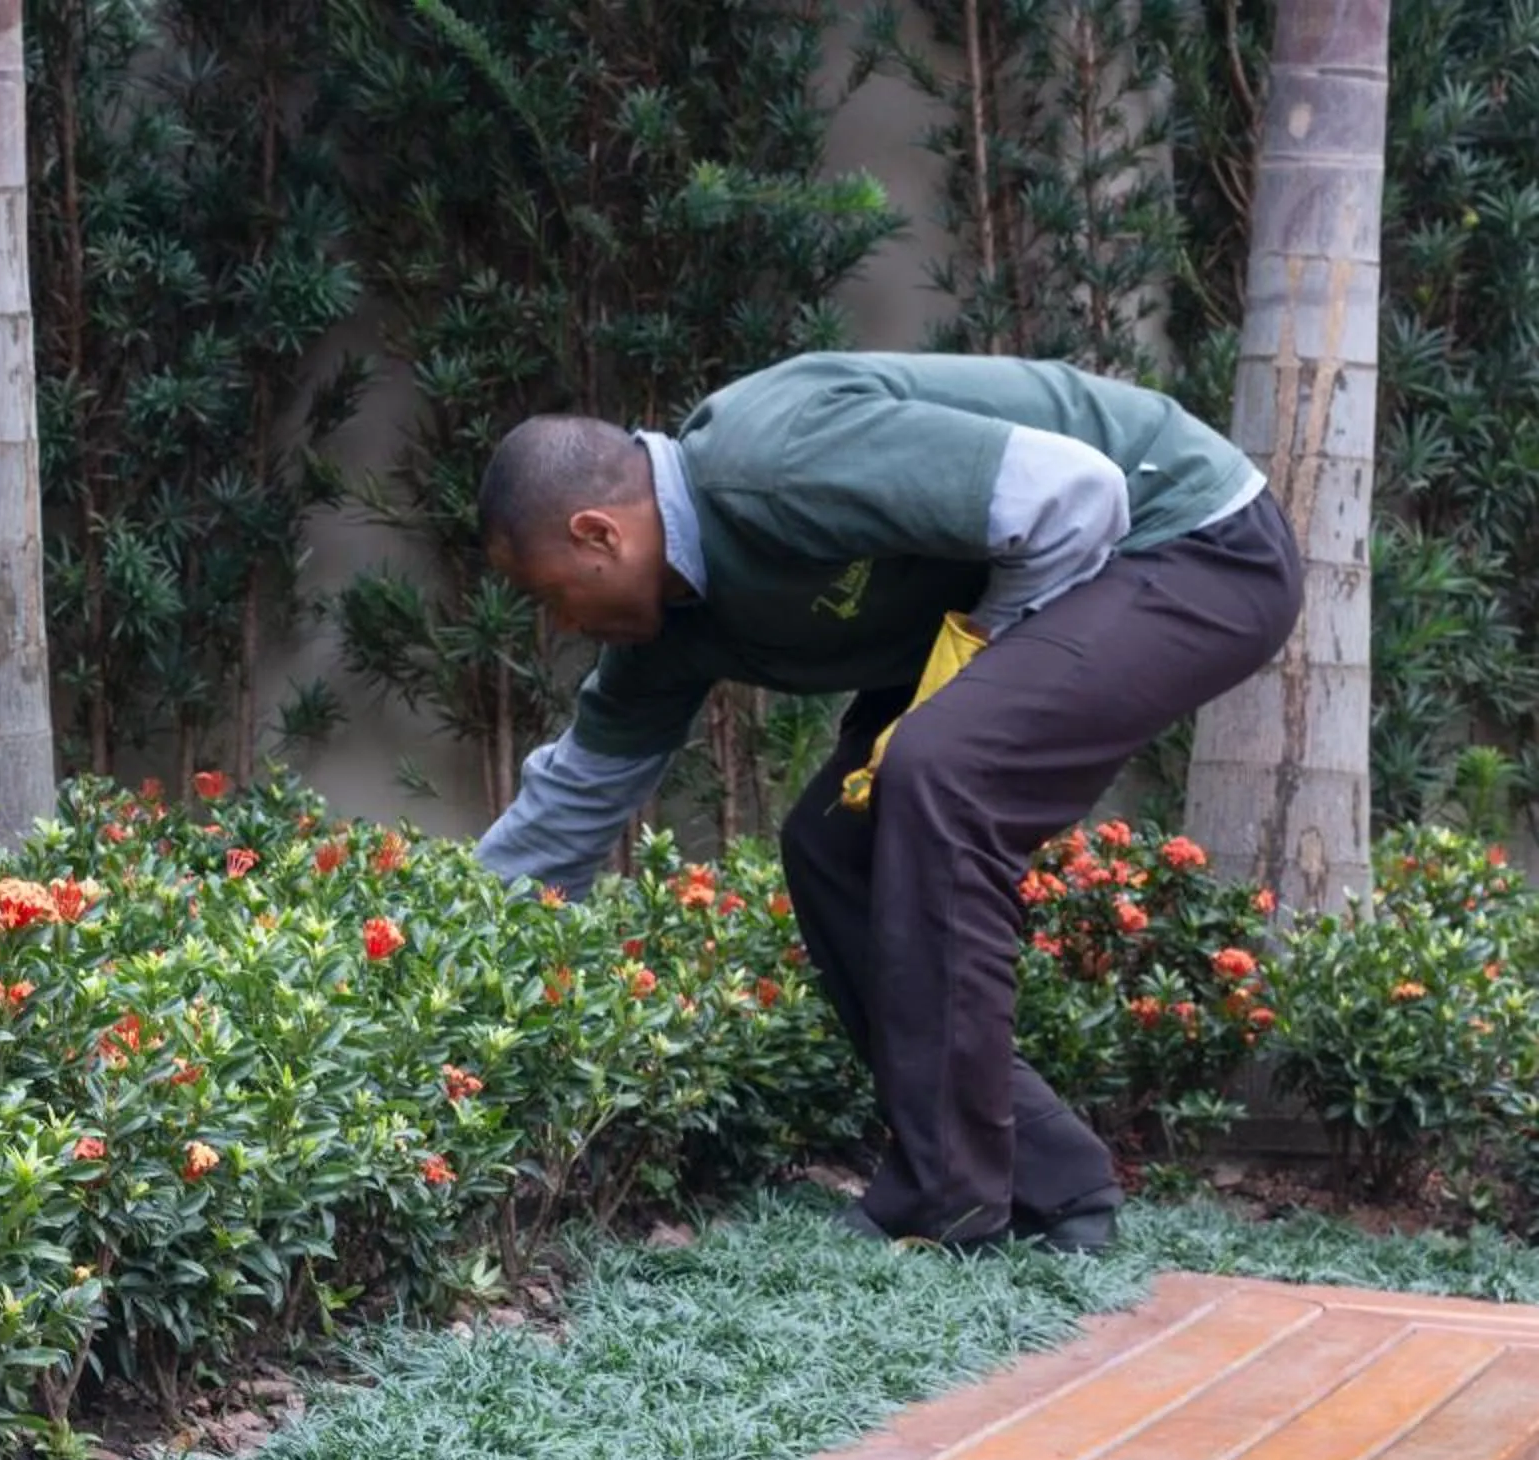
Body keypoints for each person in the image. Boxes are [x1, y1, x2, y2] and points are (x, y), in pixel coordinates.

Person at [473, 351, 1300, 1254]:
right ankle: (1050, 1182)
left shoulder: (768, 458)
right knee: (833, 841)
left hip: (1188, 540)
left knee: (939, 773)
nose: (557, 626)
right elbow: (568, 811)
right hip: (1076, 569)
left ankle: (949, 1204)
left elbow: (1075, 493)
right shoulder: (671, 628)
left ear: (599, 535)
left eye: (546, 594)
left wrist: (982, 647)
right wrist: (444, 980)